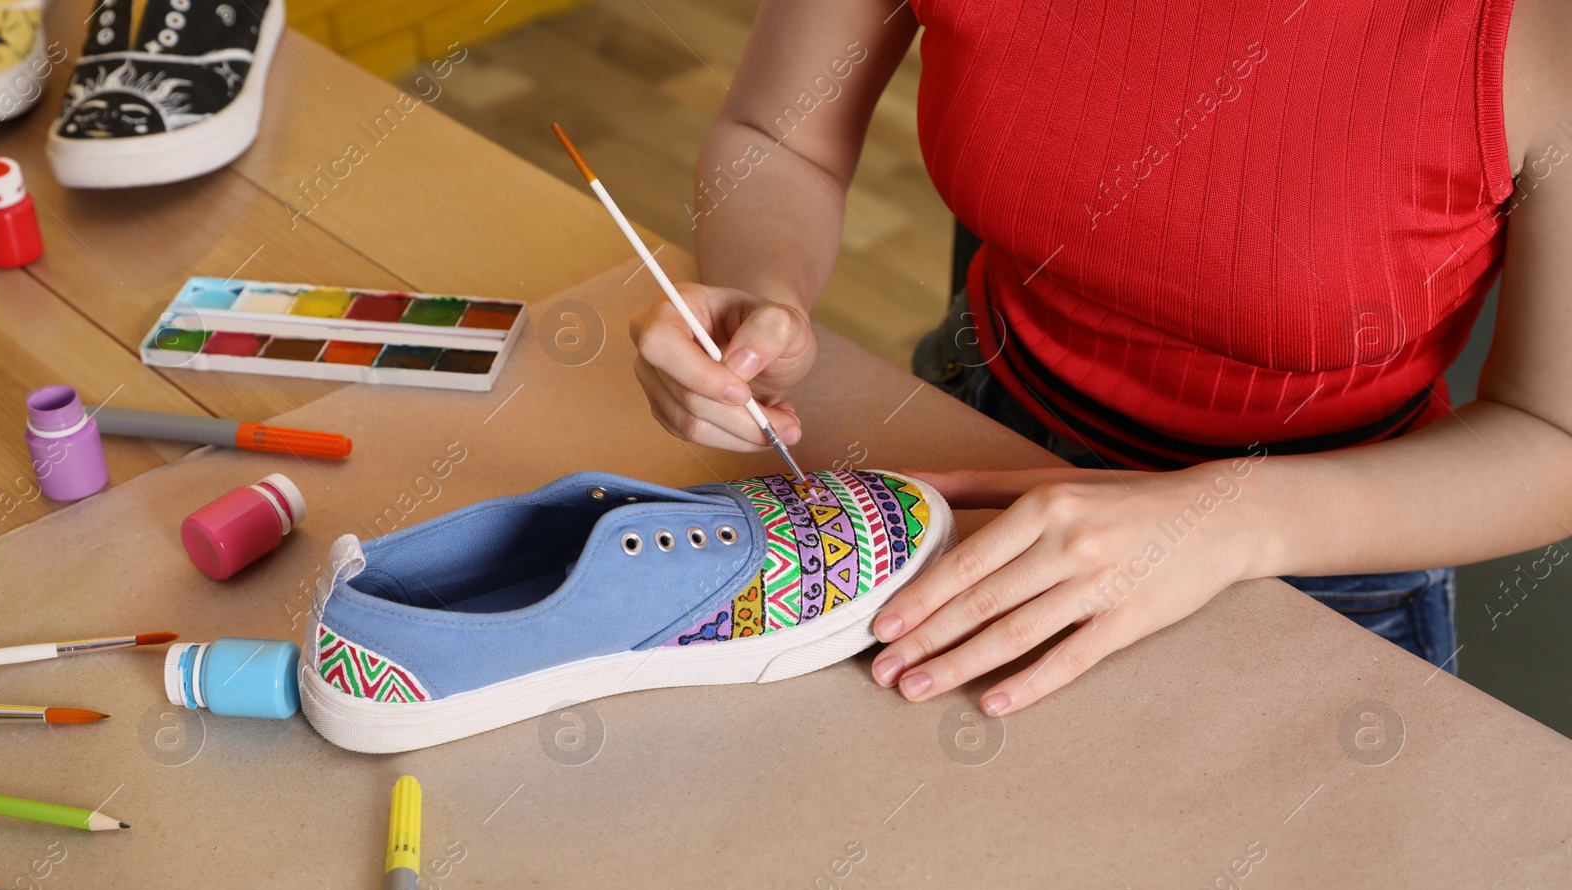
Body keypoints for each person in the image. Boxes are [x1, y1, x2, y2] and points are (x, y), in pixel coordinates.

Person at [629, 0, 1572, 718]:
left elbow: (1553, 433)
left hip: (1322, 551)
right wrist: (762, 295)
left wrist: (1227, 522)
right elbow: (775, 138)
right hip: (970, 440)